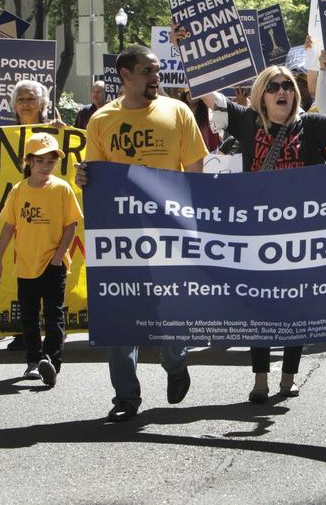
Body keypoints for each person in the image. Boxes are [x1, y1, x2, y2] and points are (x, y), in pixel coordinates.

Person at [202, 51, 326, 402]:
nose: (283, 92)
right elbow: (208, 94)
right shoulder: (246, 121)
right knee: (260, 307)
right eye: (274, 87)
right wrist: (189, 51)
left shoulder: (309, 125)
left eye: (289, 87)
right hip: (257, 234)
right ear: (261, 95)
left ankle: (288, 377)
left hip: (300, 234)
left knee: (296, 306)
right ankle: (261, 379)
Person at [78, 44, 208, 422]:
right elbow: (95, 176)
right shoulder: (101, 120)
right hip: (121, 235)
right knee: (121, 312)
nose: (157, 77)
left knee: (171, 308)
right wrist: (82, 177)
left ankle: (176, 362)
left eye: (157, 71)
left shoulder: (177, 112)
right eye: (148, 71)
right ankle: (126, 397)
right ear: (126, 75)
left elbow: (195, 172)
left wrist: (191, 223)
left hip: (168, 232)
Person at [0, 133, 82, 387]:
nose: (46, 166)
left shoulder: (62, 189)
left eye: (51, 161)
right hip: (25, 264)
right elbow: (8, 227)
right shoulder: (18, 191)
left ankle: (51, 361)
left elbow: (71, 225)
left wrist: (57, 257)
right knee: (29, 316)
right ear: (29, 162)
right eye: (40, 161)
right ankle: (33, 362)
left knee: (54, 315)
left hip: (54, 265)